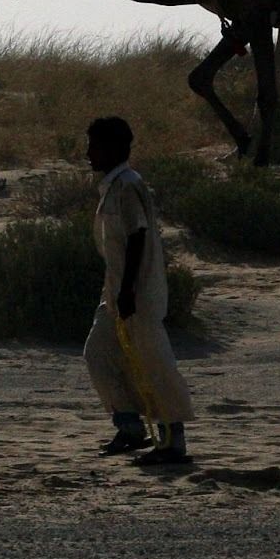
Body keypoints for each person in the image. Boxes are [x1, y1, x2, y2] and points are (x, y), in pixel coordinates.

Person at [82, 116, 195, 466]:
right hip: (116, 291)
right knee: (98, 353)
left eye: (95, 146)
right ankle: (130, 426)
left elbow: (137, 237)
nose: (89, 153)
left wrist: (129, 290)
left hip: (138, 293)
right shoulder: (112, 187)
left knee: (153, 363)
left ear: (115, 148)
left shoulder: (128, 185)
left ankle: (172, 442)